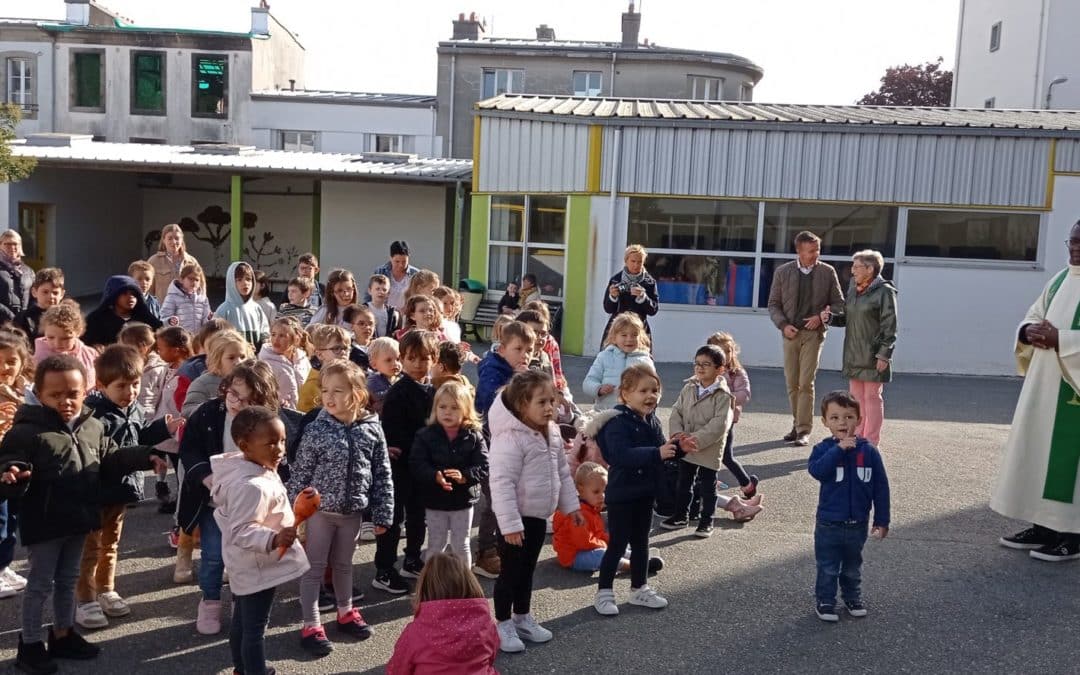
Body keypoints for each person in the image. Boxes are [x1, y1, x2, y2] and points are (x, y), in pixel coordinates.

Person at [0, 355, 167, 673]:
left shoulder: (91, 424)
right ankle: (30, 644)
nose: (66, 401)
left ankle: (63, 634)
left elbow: (111, 455)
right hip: (46, 523)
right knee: (39, 585)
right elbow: (11, 459)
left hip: (80, 517)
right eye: (56, 394)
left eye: (73, 393)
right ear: (39, 393)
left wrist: (147, 456)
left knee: (68, 580)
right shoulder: (26, 431)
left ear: (86, 390)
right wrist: (10, 472)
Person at [178, 360, 301, 635]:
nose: (235, 402)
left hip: (252, 506)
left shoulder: (267, 423)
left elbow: (283, 460)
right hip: (213, 503)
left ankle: (240, 600)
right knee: (212, 557)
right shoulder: (210, 412)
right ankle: (209, 600)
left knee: (246, 557)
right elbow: (189, 449)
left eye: (245, 400)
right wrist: (205, 476)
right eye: (232, 393)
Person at [289, 360, 394, 656]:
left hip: (353, 514)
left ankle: (346, 612)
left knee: (345, 566)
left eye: (338, 390)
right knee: (314, 568)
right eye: (325, 390)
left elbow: (382, 472)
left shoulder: (372, 429)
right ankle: (311, 624)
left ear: (358, 394)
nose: (329, 397)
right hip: (321, 514)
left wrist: (384, 512)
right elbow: (300, 474)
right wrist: (291, 517)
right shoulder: (317, 428)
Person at [76, 345, 181, 629]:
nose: (130, 392)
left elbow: (138, 435)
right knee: (91, 548)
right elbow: (109, 455)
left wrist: (162, 429)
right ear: (101, 385)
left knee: (111, 545)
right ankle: (86, 600)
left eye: (135, 384)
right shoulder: (95, 417)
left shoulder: (132, 409)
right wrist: (145, 456)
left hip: (122, 491)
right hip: (97, 492)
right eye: (121, 386)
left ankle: (106, 589)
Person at [992, 222, 1080, 561]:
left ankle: (1072, 534)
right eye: (1071, 240)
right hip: (1044, 388)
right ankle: (1043, 526)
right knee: (1039, 452)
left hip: (1072, 393)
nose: (1075, 247)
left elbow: (1062, 334)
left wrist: (1064, 341)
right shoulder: (1059, 280)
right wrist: (1028, 332)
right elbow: (1034, 315)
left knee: (1067, 462)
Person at [589, 364, 696, 617]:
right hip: (622, 493)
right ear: (625, 394)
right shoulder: (616, 422)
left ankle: (639, 588)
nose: (651, 396)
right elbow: (619, 455)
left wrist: (679, 448)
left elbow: (662, 450)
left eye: (655, 390)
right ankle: (604, 592)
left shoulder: (651, 419)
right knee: (617, 544)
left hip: (645, 491)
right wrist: (656, 453)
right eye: (643, 391)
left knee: (641, 542)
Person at [488, 370, 582, 653]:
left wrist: (572, 507)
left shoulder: (551, 432)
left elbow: (562, 472)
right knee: (510, 573)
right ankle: (503, 622)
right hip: (514, 523)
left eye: (551, 401)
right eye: (541, 402)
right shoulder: (510, 438)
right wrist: (510, 525)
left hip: (538, 517)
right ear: (521, 405)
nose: (549, 408)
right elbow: (501, 483)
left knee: (527, 572)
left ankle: (522, 617)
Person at [212, 406, 309, 675]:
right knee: (254, 628)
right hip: (257, 565)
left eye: (282, 441)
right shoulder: (250, 485)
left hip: (248, 563)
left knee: (242, 622)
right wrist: (275, 537)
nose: (279, 449)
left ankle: (243, 668)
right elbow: (241, 530)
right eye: (270, 443)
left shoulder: (255, 468)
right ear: (245, 445)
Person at [662, 345, 763, 537]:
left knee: (708, 487)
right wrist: (678, 434)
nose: (700, 368)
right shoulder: (689, 387)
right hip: (686, 446)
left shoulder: (723, 395)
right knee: (684, 483)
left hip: (708, 448)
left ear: (720, 369)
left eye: (706, 365)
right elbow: (677, 411)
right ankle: (681, 515)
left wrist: (696, 439)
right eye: (697, 364)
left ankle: (706, 520)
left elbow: (720, 424)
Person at [807, 390, 890, 622]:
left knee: (853, 565)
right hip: (828, 523)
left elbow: (881, 488)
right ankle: (825, 601)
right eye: (835, 418)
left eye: (848, 416)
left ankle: (852, 597)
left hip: (858, 523)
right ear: (825, 422)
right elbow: (817, 471)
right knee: (828, 566)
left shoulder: (869, 452)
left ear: (859, 419)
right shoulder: (823, 449)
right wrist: (838, 449)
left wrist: (882, 520)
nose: (842, 422)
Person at [374, 330, 438, 594]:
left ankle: (412, 558)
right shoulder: (398, 392)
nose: (417, 364)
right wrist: (390, 448)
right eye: (411, 358)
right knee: (393, 517)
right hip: (400, 466)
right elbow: (388, 428)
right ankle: (384, 570)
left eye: (424, 358)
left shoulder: (433, 391)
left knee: (418, 515)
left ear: (433, 359)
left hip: (422, 466)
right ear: (403, 358)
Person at [767, 230, 845, 447]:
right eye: (811, 251)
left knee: (805, 383)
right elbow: (773, 304)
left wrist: (821, 318)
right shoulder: (783, 272)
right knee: (792, 383)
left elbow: (839, 304)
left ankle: (803, 430)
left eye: (817, 249)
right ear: (798, 251)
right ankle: (797, 422)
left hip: (814, 334)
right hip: (790, 333)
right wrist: (783, 325)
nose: (815, 254)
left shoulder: (828, 272)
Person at [473, 321, 535, 581]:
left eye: (529, 349)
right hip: (490, 445)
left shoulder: (519, 370)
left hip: (515, 444)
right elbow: (489, 399)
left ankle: (503, 543)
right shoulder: (493, 369)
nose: (525, 355)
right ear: (501, 349)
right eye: (518, 349)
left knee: (510, 497)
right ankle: (486, 552)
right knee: (495, 500)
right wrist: (517, 382)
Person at [410, 381, 488, 566]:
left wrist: (465, 476)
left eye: (454, 407)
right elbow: (417, 463)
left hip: (463, 501)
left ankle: (464, 586)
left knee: (461, 545)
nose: (447, 412)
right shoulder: (425, 435)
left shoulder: (474, 435)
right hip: (435, 500)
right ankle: (432, 585)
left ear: (466, 410)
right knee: (436, 545)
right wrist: (434, 475)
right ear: (435, 408)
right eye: (442, 406)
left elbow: (484, 465)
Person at [825, 250, 898, 446]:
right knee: (856, 401)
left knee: (872, 398)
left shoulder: (884, 291)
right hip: (853, 354)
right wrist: (830, 318)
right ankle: (856, 438)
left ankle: (871, 442)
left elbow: (890, 326)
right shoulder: (853, 289)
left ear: (870, 269)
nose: (852, 271)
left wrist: (884, 355)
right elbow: (847, 319)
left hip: (873, 355)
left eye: (856, 267)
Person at [386, 553, 499, 675]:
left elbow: (397, 669)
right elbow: (491, 656)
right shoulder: (487, 625)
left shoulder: (414, 632)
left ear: (424, 588)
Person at [552, 462, 664, 575]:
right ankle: (634, 566)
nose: (602, 496)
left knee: (616, 543)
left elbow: (598, 534)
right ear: (580, 490)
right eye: (596, 492)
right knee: (602, 554)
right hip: (573, 555)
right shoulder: (578, 513)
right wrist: (607, 545)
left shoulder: (590, 508)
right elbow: (584, 542)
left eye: (604, 491)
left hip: (587, 548)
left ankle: (637, 557)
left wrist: (612, 541)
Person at [0, 328, 32, 600]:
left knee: (12, 519)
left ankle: (4, 564)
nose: (5, 368)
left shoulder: (24, 391)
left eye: (11, 361)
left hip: (18, 464)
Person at [583, 312, 654, 412]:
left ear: (641, 338)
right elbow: (588, 382)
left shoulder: (645, 360)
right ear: (614, 338)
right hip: (604, 412)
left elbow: (654, 389)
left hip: (634, 415)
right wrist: (598, 389)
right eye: (624, 335)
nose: (629, 339)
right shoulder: (604, 356)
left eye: (634, 335)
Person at [180, 331, 253, 419]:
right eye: (231, 358)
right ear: (217, 359)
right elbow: (187, 411)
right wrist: (215, 408)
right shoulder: (203, 383)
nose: (238, 362)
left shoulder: (252, 380)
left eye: (242, 357)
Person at [601, 245, 658, 347]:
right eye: (633, 261)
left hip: (639, 330)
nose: (636, 265)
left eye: (639, 262)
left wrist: (643, 298)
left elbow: (653, 310)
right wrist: (613, 297)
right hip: (618, 327)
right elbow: (607, 308)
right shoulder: (616, 280)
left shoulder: (649, 282)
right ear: (626, 261)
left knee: (640, 362)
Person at [82, 275, 163, 347]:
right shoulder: (96, 320)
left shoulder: (146, 318)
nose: (130, 297)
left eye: (133, 294)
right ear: (114, 296)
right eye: (125, 294)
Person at [34, 304, 99, 386]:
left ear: (78, 332)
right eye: (51, 337)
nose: (57, 343)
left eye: (65, 338)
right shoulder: (39, 359)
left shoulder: (90, 354)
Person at [258, 317, 312, 411]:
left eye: (282, 336)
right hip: (278, 414)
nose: (276, 339)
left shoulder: (303, 360)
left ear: (295, 339)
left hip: (303, 414)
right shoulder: (265, 363)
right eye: (273, 334)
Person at [214, 261, 269, 351]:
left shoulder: (256, 308)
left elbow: (264, 330)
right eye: (239, 280)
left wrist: (265, 341)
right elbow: (217, 338)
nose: (245, 283)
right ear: (231, 282)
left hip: (255, 359)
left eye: (248, 279)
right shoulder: (223, 310)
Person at [297, 324, 351, 413]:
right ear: (320, 354)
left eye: (346, 348)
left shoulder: (351, 379)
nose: (343, 352)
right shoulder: (313, 384)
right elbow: (303, 418)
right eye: (336, 348)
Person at [148, 223, 199, 303]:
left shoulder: (191, 262)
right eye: (170, 238)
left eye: (177, 238)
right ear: (163, 240)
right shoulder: (153, 261)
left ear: (182, 240)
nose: (174, 241)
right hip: (162, 311)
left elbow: (200, 288)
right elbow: (148, 290)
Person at [15, 267, 64, 344]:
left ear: (62, 294)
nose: (51, 296)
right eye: (45, 292)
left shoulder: (65, 316)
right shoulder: (24, 317)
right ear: (34, 292)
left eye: (55, 293)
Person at [161, 263, 213, 335]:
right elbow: (163, 318)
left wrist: (209, 318)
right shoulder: (172, 297)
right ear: (181, 279)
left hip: (197, 339)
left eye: (197, 280)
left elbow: (205, 323)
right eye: (190, 278)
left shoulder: (203, 299)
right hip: (179, 339)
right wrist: (170, 321)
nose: (194, 282)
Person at [370, 240, 420, 309]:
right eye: (397, 261)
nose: (400, 265)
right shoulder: (380, 271)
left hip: (407, 314)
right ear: (391, 258)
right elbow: (370, 295)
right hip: (386, 313)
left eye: (404, 261)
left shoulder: (416, 274)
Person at [0, 230, 36, 325]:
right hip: (3, 322)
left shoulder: (28, 271)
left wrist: (27, 316)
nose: (12, 247)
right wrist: (10, 316)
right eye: (7, 244)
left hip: (24, 322)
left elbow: (35, 296)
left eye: (15, 244)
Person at [366, 336, 400, 416]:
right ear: (374, 364)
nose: (395, 364)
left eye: (398, 359)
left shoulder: (403, 380)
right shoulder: (372, 383)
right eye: (388, 360)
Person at [364, 273, 402, 339]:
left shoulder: (393, 313)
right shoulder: (363, 309)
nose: (381, 292)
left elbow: (396, 333)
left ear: (388, 293)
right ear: (370, 291)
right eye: (377, 289)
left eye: (384, 290)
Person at [343, 304, 375, 370]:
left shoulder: (380, 346)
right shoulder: (347, 348)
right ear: (352, 326)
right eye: (361, 324)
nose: (367, 327)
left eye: (370, 324)